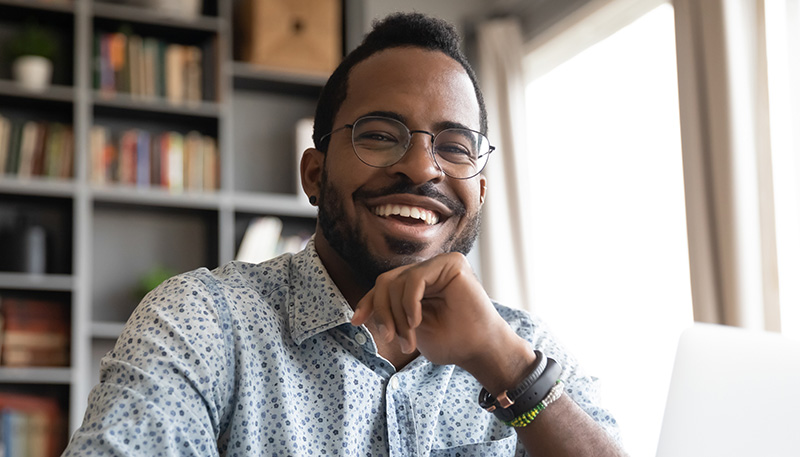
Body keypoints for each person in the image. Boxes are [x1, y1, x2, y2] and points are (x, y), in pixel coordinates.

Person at [64, 12, 627, 456]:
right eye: (381, 135)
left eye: (454, 148)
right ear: (314, 173)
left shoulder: (525, 350)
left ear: (479, 191)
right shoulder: (203, 324)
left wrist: (508, 370)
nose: (424, 168)